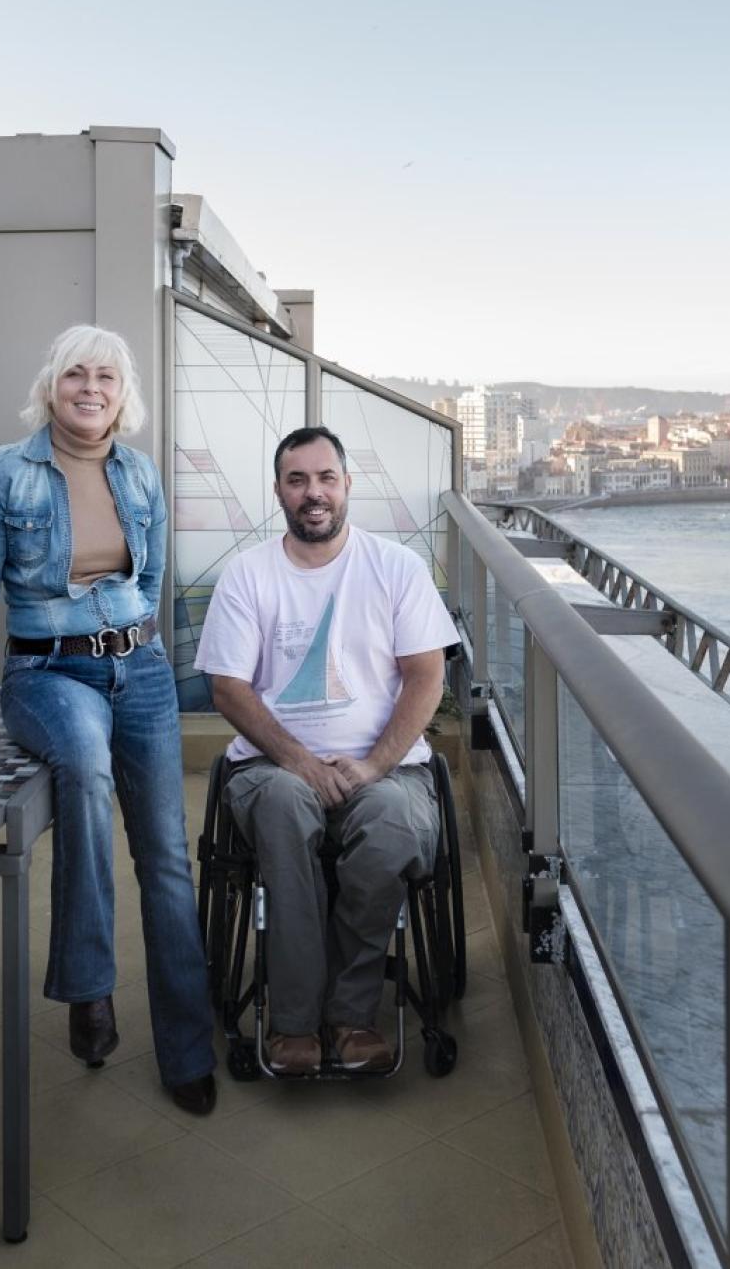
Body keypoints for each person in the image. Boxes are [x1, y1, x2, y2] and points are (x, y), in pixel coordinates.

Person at [0, 324, 217, 1114]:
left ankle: (187, 1050)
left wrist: (141, 650)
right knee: (86, 768)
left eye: (106, 376)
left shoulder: (139, 474)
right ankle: (89, 986)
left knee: (167, 856)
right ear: (51, 386)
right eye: (75, 374)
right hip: (48, 673)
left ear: (122, 395)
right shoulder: (6, 474)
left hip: (139, 669)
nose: (90, 388)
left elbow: (151, 581)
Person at [193, 426, 458, 1074]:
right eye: (297, 480)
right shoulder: (248, 574)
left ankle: (350, 1015)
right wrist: (301, 762)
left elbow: (427, 677)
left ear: (347, 485)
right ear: (279, 491)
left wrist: (373, 765)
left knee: (391, 825)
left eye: (325, 478)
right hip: (272, 768)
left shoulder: (396, 567)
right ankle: (292, 1021)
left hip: (387, 770)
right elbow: (228, 688)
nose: (313, 493)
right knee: (286, 810)